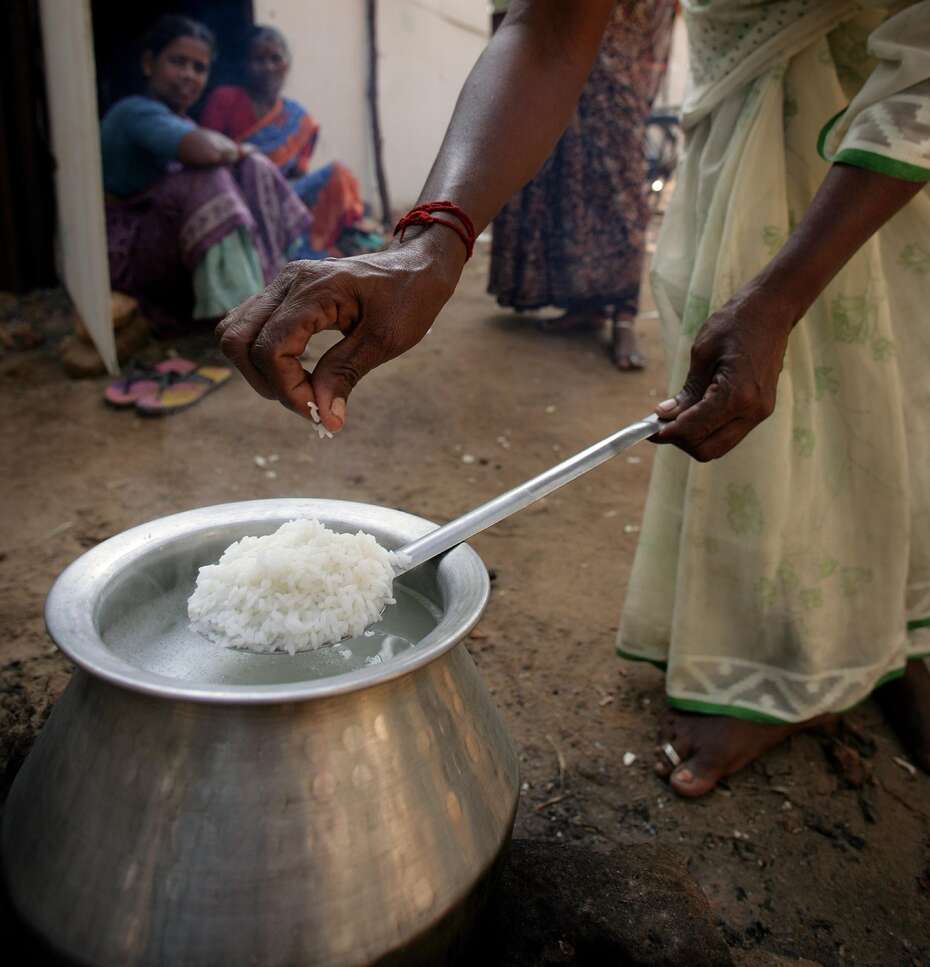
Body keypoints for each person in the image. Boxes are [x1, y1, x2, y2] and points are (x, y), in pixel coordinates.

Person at [216, 1, 930, 797]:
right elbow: (550, 27)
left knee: (899, 398)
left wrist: (781, 295)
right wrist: (429, 242)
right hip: (747, 155)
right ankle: (802, 659)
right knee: (795, 434)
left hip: (892, 160)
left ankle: (903, 634)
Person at [488, 1, 676, 370]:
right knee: (567, 192)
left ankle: (624, 315)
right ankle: (583, 307)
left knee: (622, 200)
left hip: (617, 75)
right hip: (558, 70)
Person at [100, 15, 310, 336]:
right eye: (178, 62)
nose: (189, 75)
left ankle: (265, 290)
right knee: (209, 176)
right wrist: (242, 151)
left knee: (253, 168)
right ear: (148, 63)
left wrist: (244, 156)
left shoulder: (179, 120)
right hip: (127, 259)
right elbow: (206, 151)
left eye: (199, 68)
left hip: (166, 251)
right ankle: (238, 317)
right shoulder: (135, 112)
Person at [200, 25, 382, 259]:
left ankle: (314, 248)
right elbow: (208, 154)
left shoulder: (298, 118)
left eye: (274, 58)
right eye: (258, 59)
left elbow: (297, 174)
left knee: (338, 174)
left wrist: (290, 199)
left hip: (283, 193)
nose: (267, 67)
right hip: (234, 192)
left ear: (286, 66)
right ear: (246, 65)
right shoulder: (225, 98)